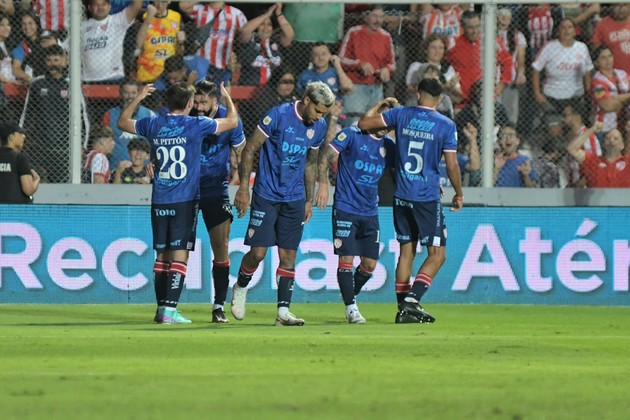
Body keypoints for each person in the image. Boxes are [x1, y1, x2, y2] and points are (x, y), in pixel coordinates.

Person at [117, 81, 238, 324]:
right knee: (180, 255)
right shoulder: (196, 124)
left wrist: (139, 97)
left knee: (162, 256)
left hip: (160, 199)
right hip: (184, 199)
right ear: (190, 103)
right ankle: (170, 311)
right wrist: (227, 98)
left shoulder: (154, 123)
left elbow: (122, 122)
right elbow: (232, 122)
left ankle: (161, 308)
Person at [358, 78, 464, 324]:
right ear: (440, 99)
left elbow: (363, 124)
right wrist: (458, 193)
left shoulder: (401, 114)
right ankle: (412, 300)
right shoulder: (446, 125)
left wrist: (380, 105)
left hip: (402, 194)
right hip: (426, 196)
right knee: (438, 254)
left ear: (418, 94)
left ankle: (403, 311)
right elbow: (451, 164)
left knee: (407, 251)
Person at [231, 81, 335, 326]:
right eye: (318, 111)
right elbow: (250, 149)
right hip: (267, 193)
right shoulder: (277, 115)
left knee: (288, 255)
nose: (320, 117)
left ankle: (283, 312)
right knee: (258, 253)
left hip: (294, 197)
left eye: (324, 114)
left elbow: (310, 163)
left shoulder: (319, 126)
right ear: (307, 100)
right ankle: (240, 287)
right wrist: (244, 188)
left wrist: (308, 199)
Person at [315, 100, 395, 324]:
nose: (386, 124)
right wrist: (324, 184)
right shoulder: (352, 134)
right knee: (346, 260)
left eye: (390, 121)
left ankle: (349, 294)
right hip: (346, 207)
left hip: (370, 211)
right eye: (382, 118)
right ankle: (351, 308)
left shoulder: (389, 146)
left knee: (369, 265)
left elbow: (405, 169)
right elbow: (326, 155)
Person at [189, 80, 245, 323]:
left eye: (203, 101)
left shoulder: (229, 120)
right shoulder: (187, 116)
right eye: (196, 101)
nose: (199, 106)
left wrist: (244, 188)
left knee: (221, 246)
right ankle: (167, 307)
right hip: (187, 190)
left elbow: (242, 152)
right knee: (177, 249)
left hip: (216, 190)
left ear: (215, 100)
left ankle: (218, 306)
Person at [19, 44, 89, 183]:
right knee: (38, 183)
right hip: (40, 146)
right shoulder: (37, 83)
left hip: (65, 148)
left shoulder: (72, 84)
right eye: (49, 60)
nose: (53, 64)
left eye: (56, 60)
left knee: (62, 184)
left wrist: (82, 145)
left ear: (64, 61)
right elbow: (26, 115)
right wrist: (21, 137)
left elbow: (83, 118)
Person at [338, 5, 395, 126]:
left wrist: (387, 69)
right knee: (353, 124)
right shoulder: (354, 32)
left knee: (373, 125)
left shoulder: (386, 36)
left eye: (381, 17)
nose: (378, 20)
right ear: (365, 16)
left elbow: (392, 64)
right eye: (375, 16)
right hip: (356, 87)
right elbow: (341, 59)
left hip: (377, 88)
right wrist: (359, 64)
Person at [446, 10, 513, 105]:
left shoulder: (491, 42)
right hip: (462, 102)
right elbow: (443, 67)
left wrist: (502, 84)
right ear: (463, 27)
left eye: (478, 26)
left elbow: (507, 62)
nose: (475, 31)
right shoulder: (454, 45)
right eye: (470, 27)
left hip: (486, 101)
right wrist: (451, 86)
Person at [532, 18, 594, 121]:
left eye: (570, 27)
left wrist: (588, 92)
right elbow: (536, 69)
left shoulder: (582, 47)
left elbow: (588, 70)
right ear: (558, 31)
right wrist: (537, 93)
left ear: (574, 31)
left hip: (576, 97)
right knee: (555, 129)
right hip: (552, 97)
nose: (567, 31)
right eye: (563, 28)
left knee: (576, 127)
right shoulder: (549, 47)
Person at [179, 1, 248, 87]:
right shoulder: (200, 9)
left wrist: (236, 55)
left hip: (223, 64)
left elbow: (246, 33)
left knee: (219, 92)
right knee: (201, 90)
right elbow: (183, 5)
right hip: (201, 60)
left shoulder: (236, 13)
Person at [81, 0, 143, 82]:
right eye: (96, 5)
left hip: (114, 77)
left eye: (103, 4)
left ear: (109, 6)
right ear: (89, 8)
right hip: (88, 79)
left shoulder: (118, 20)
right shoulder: (81, 27)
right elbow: (65, 48)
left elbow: (137, 6)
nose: (100, 7)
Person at [237, 3, 294, 87]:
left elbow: (290, 35)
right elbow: (245, 31)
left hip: (272, 90)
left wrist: (279, 14)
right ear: (257, 27)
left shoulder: (276, 43)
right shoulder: (250, 41)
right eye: (262, 24)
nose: (265, 28)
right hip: (250, 89)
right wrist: (266, 15)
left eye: (269, 25)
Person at [102, 79, 154, 169]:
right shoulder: (109, 115)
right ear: (120, 93)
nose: (130, 96)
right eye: (126, 92)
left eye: (134, 93)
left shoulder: (149, 115)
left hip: (143, 170)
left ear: (139, 94)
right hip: (116, 168)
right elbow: (104, 142)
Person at [567, 121, 630, 188]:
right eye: (608, 138)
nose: (611, 140)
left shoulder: (628, 161)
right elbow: (571, 149)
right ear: (604, 144)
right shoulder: (593, 161)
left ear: (622, 145)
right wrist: (591, 130)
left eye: (616, 138)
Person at [135, 1, 184, 83]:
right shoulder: (143, 16)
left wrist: (181, 42)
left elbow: (181, 52)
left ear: (169, 1)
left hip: (170, 75)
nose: (160, 5)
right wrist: (148, 19)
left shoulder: (176, 17)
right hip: (147, 75)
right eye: (157, 1)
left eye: (163, 1)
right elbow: (138, 44)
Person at [405, 34, 462, 106]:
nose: (437, 51)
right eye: (433, 47)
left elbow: (459, 97)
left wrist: (451, 88)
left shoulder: (448, 68)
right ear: (425, 50)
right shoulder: (417, 66)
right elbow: (410, 90)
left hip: (442, 107)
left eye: (441, 48)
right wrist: (443, 87)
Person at [561, 101, 602, 187]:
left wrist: (579, 185)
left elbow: (595, 164)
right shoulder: (573, 136)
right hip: (573, 186)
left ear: (577, 117)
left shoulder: (588, 137)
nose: (562, 119)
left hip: (585, 188)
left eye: (565, 116)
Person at [591, 45, 630, 132]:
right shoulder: (597, 81)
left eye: (610, 56)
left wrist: (615, 98)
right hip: (605, 127)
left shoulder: (622, 74)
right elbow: (607, 106)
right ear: (596, 62)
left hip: (625, 124)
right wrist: (627, 99)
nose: (608, 60)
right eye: (603, 58)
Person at [0, 121, 40, 204]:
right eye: (20, 133)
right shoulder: (19, 158)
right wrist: (37, 179)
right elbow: (28, 190)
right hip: (16, 209)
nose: (24, 136)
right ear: (11, 137)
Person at [494, 124, 537, 188]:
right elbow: (486, 187)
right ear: (498, 142)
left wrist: (526, 176)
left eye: (511, 135)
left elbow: (533, 188)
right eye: (504, 135)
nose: (507, 138)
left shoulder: (525, 161)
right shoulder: (493, 160)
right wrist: (496, 169)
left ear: (517, 141)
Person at [592, 4, 630, 74]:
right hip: (614, 74)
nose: (621, 9)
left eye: (624, 5)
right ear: (612, 7)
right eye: (617, 5)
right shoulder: (602, 24)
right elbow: (597, 50)